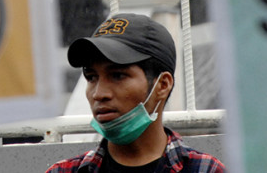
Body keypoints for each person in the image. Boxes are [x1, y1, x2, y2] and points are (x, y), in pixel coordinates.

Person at [46, 13, 227, 173]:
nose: (98, 94)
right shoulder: (64, 171)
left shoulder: (205, 170)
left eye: (117, 76)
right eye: (92, 77)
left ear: (162, 85)